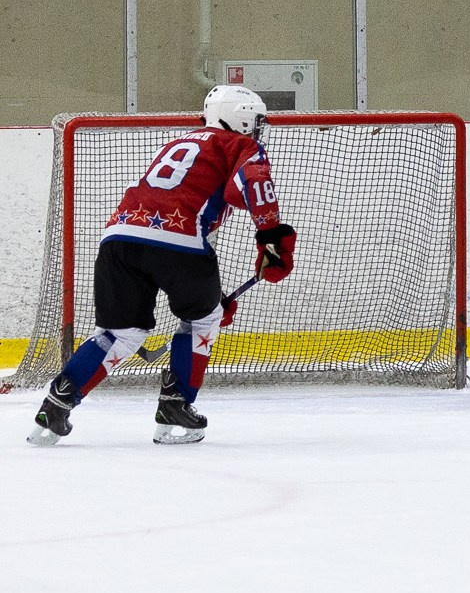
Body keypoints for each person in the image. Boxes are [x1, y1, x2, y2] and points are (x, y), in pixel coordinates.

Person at [26, 84, 297, 447]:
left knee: (119, 333)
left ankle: (55, 405)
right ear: (243, 119)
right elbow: (255, 185)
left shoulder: (178, 143)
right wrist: (273, 236)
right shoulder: (240, 145)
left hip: (119, 237)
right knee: (203, 319)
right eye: (256, 120)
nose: (259, 127)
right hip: (179, 239)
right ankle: (175, 407)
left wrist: (209, 295)